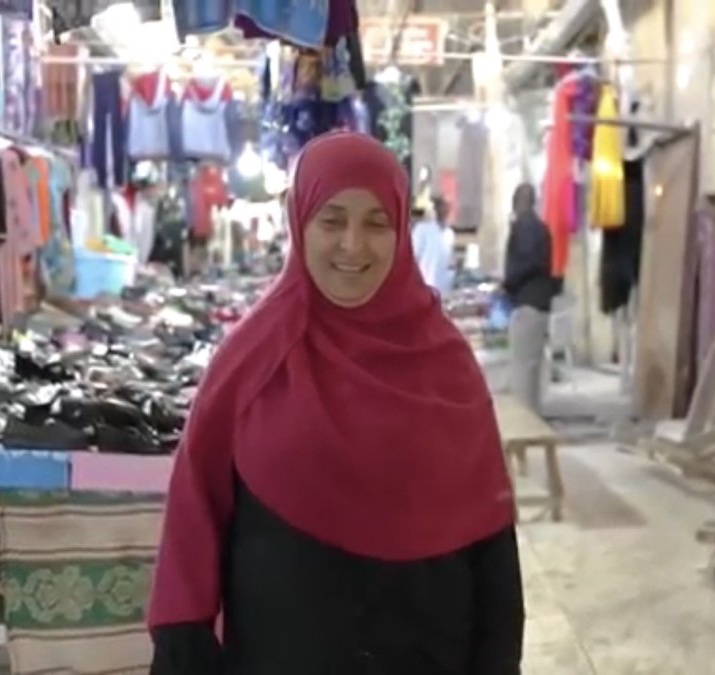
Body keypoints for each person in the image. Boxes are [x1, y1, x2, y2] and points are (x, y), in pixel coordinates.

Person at [149, 132, 524, 675]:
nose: (353, 244)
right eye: (332, 220)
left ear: (401, 230)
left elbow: (490, 538)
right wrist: (184, 649)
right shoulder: (252, 360)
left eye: (377, 223)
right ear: (300, 223)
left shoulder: (447, 365)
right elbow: (193, 514)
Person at [503, 183, 556, 415]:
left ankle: (524, 422)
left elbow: (524, 264)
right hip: (542, 304)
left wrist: (507, 284)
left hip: (526, 302)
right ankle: (534, 418)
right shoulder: (543, 229)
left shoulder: (522, 228)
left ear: (516, 203)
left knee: (522, 369)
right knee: (533, 368)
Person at [411, 196, 455, 296]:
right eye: (442, 207)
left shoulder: (449, 234)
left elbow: (449, 262)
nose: (445, 210)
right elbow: (413, 257)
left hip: (442, 290)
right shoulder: (422, 229)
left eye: (447, 207)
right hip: (423, 286)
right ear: (436, 209)